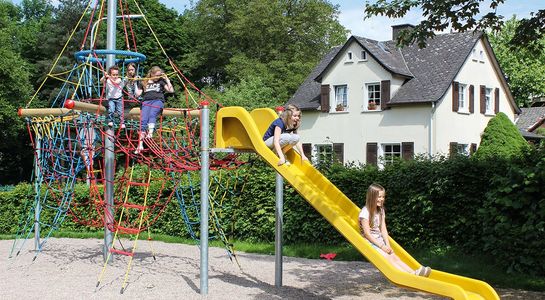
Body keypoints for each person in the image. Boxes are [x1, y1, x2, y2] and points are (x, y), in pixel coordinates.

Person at [359, 183, 431, 277]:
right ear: (372, 197)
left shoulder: (380, 210)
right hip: (370, 243)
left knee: (394, 257)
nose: (382, 199)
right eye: (379, 197)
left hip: (379, 241)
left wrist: (388, 245)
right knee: (389, 258)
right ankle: (407, 276)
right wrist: (382, 246)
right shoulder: (365, 212)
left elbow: (383, 229)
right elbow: (367, 234)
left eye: (383, 197)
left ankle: (414, 273)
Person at [134, 66, 174, 153]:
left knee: (152, 114)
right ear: (151, 74)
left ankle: (150, 133)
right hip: (146, 102)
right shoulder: (144, 81)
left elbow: (171, 91)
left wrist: (167, 80)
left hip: (157, 101)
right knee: (143, 120)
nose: (158, 77)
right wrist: (135, 83)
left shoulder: (161, 81)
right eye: (156, 75)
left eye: (160, 75)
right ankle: (140, 145)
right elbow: (137, 94)